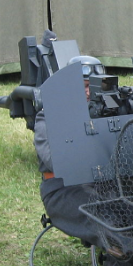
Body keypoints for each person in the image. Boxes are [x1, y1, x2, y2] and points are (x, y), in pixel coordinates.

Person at [33, 55, 105, 247]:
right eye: (84, 87)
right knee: (107, 219)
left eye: (93, 87)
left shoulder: (108, 114)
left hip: (105, 184)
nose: (89, 93)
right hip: (62, 189)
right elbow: (54, 161)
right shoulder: (49, 116)